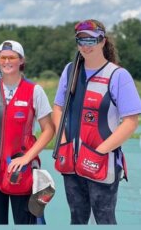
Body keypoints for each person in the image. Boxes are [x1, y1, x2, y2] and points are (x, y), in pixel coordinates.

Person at [53, 19, 141, 225]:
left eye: (92, 41)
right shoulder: (70, 70)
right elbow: (58, 108)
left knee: (104, 219)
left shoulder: (118, 76)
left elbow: (130, 122)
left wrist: (99, 152)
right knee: (77, 219)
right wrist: (64, 141)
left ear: (102, 41)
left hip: (102, 161)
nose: (86, 46)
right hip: (71, 161)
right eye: (81, 41)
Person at [0, 40, 54, 224]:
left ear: (21, 60)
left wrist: (27, 158)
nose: (7, 61)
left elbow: (49, 129)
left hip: (20, 171)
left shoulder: (34, 91)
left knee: (25, 223)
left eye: (12, 57)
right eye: (3, 57)